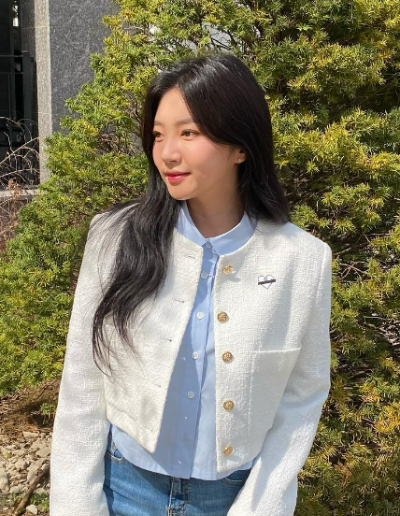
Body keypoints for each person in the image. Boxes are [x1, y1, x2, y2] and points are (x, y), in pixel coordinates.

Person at [49, 52, 333, 516]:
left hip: (232, 497)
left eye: (189, 133)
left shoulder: (301, 260)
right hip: (125, 489)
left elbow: (302, 397)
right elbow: (83, 382)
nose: (167, 153)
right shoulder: (116, 238)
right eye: (159, 134)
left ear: (240, 146)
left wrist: (260, 506)